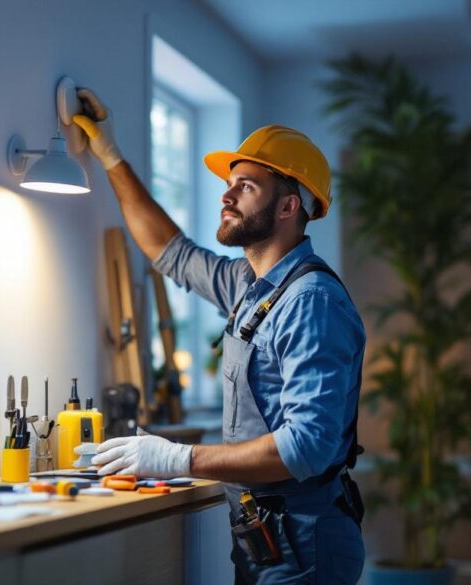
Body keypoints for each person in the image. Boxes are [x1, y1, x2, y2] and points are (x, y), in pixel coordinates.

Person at [74, 88, 366, 584]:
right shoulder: (249, 285)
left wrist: (179, 458)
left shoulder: (310, 301)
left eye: (246, 186)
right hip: (267, 538)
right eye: (229, 184)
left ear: (288, 205)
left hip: (305, 545)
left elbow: (306, 447)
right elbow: (169, 251)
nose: (226, 196)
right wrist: (110, 155)